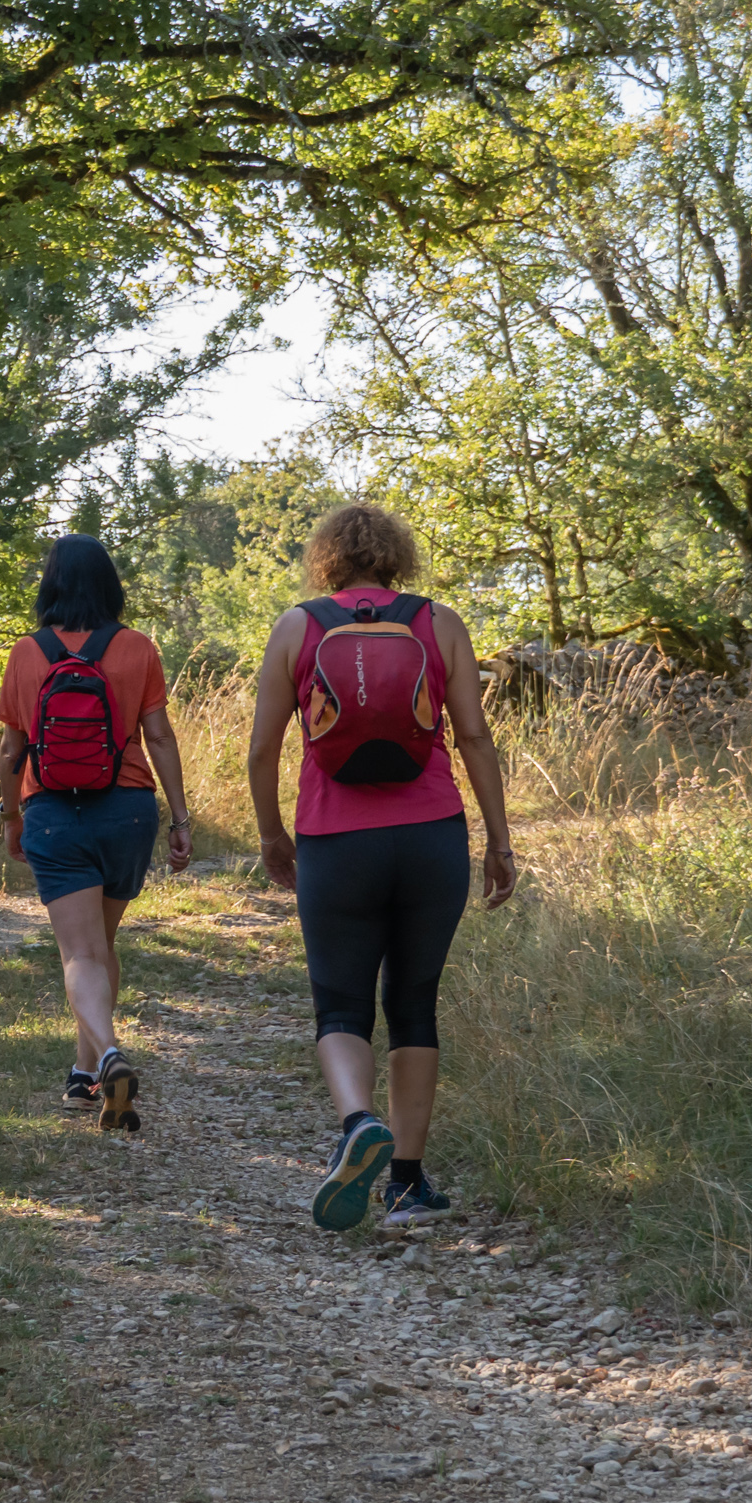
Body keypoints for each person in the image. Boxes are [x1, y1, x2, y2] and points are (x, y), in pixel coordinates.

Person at [244, 502, 515, 1229]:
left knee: (340, 1005)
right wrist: (498, 838)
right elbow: (475, 738)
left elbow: (265, 748)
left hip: (336, 840)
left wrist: (273, 833)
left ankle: (358, 1121)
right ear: (398, 555)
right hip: (430, 836)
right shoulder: (439, 622)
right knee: (414, 1003)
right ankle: (405, 1184)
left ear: (325, 557)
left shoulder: (298, 627)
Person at [0, 535, 194, 1130]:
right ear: (109, 583)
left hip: (54, 812)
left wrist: (11, 818)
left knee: (80, 953)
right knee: (102, 946)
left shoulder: (27, 653)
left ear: (49, 584)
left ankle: (105, 1055)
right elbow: (158, 738)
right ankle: (86, 1078)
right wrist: (180, 820)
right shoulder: (137, 648)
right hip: (126, 809)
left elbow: (12, 747)